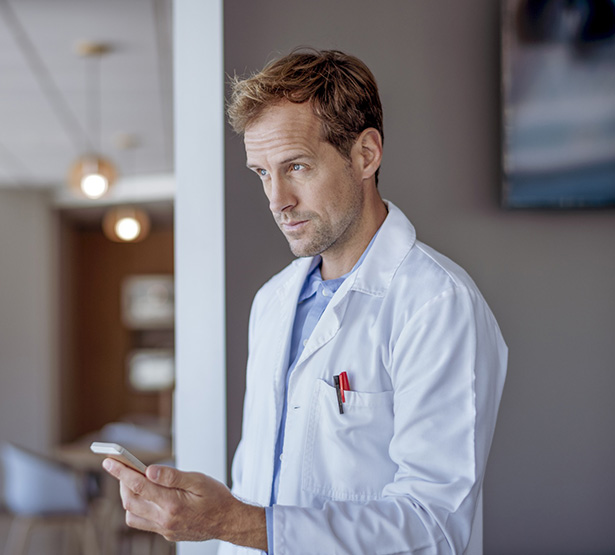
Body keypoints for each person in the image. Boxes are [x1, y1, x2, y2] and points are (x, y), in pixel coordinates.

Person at [103, 49, 508, 554]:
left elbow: (435, 527)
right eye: (262, 173)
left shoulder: (437, 304)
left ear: (366, 155)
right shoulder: (273, 301)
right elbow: (260, 483)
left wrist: (236, 523)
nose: (277, 199)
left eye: (295, 166)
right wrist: (226, 521)